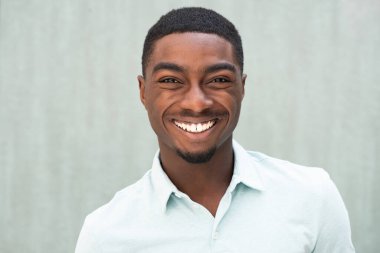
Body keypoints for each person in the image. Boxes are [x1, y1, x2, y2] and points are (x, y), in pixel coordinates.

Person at [75, 7, 355, 252]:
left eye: (219, 79)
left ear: (242, 88)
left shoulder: (313, 198)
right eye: (171, 80)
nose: (197, 103)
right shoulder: (105, 235)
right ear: (143, 91)